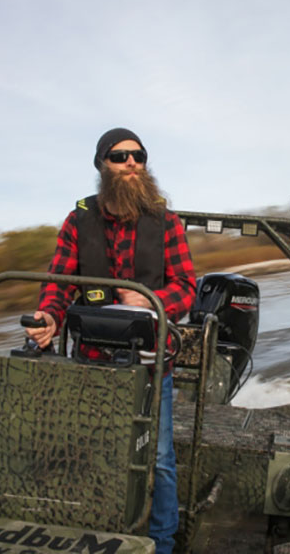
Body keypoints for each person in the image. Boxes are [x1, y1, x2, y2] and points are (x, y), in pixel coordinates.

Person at [25, 127, 196, 554]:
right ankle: (97, 535)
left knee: (158, 459)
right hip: (91, 362)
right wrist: (48, 316)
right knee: (91, 449)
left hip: (151, 362)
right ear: (103, 165)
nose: (132, 163)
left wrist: (154, 300)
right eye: (120, 157)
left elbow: (187, 287)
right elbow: (60, 284)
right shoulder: (78, 220)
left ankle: (161, 543)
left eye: (138, 155)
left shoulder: (167, 221)